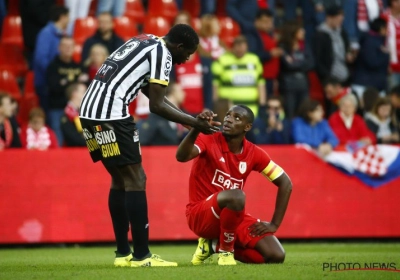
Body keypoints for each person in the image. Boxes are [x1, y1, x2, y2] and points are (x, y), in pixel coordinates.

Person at [79, 24, 219, 267]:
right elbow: (157, 105)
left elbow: (146, 89)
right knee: (137, 179)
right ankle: (142, 256)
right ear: (178, 46)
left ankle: (123, 254)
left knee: (120, 179)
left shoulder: (145, 40)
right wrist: (196, 124)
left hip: (89, 113)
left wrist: (190, 122)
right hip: (111, 114)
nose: (185, 60)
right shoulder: (163, 53)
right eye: (187, 54)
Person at [176, 105, 292, 265]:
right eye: (228, 115)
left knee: (275, 256)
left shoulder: (254, 153)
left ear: (247, 127)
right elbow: (181, 157)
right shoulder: (208, 139)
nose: (229, 119)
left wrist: (274, 224)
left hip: (231, 216)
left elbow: (285, 183)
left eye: (237, 117)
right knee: (236, 196)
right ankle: (226, 252)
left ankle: (212, 245)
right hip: (200, 215)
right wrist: (196, 128)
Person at [47, 36, 88, 146]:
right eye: (65, 46)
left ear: (74, 48)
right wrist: (76, 80)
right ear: (59, 47)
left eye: (70, 46)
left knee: (82, 137)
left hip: (78, 109)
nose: (68, 49)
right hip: (58, 108)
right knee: (59, 141)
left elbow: (86, 86)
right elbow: (54, 88)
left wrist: (65, 82)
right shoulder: (53, 67)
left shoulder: (79, 66)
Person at [212, 35, 266, 117]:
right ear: (233, 47)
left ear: (247, 47)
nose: (240, 49)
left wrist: (262, 104)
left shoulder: (254, 60)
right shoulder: (222, 60)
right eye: (237, 46)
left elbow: (261, 84)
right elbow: (215, 85)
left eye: (242, 46)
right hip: (229, 111)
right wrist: (216, 105)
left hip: (252, 110)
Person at [33, 5, 69, 113]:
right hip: (46, 83)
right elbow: (40, 58)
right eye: (68, 17)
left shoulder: (60, 34)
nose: (69, 20)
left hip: (55, 84)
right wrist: (52, 75)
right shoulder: (46, 33)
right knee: (49, 114)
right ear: (62, 17)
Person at [279, 21, 313, 119]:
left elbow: (311, 63)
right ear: (293, 31)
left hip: (303, 84)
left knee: (305, 113)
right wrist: (302, 63)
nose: (304, 32)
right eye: (300, 30)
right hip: (288, 86)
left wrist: (295, 63)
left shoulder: (305, 46)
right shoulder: (283, 47)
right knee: (290, 114)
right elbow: (288, 65)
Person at [246, 9, 283, 99]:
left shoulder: (271, 35)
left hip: (272, 78)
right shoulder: (252, 36)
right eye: (265, 22)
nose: (269, 25)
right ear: (256, 21)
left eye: (270, 22)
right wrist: (270, 54)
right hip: (261, 78)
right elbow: (252, 55)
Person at [314, 5, 353, 85]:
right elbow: (318, 60)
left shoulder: (342, 32)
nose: (339, 23)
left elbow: (347, 48)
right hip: (330, 80)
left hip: (345, 76)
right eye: (337, 19)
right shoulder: (320, 35)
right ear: (329, 18)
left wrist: (349, 55)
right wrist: (327, 78)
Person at [352, 18, 389, 93]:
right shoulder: (370, 42)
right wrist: (385, 55)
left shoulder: (377, 41)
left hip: (373, 85)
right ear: (382, 28)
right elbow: (372, 62)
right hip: (365, 86)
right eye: (386, 28)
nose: (388, 31)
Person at [61, 83, 87, 147]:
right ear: (74, 94)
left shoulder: (83, 112)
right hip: (73, 153)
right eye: (84, 92)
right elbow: (72, 138)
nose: (87, 94)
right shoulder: (67, 114)